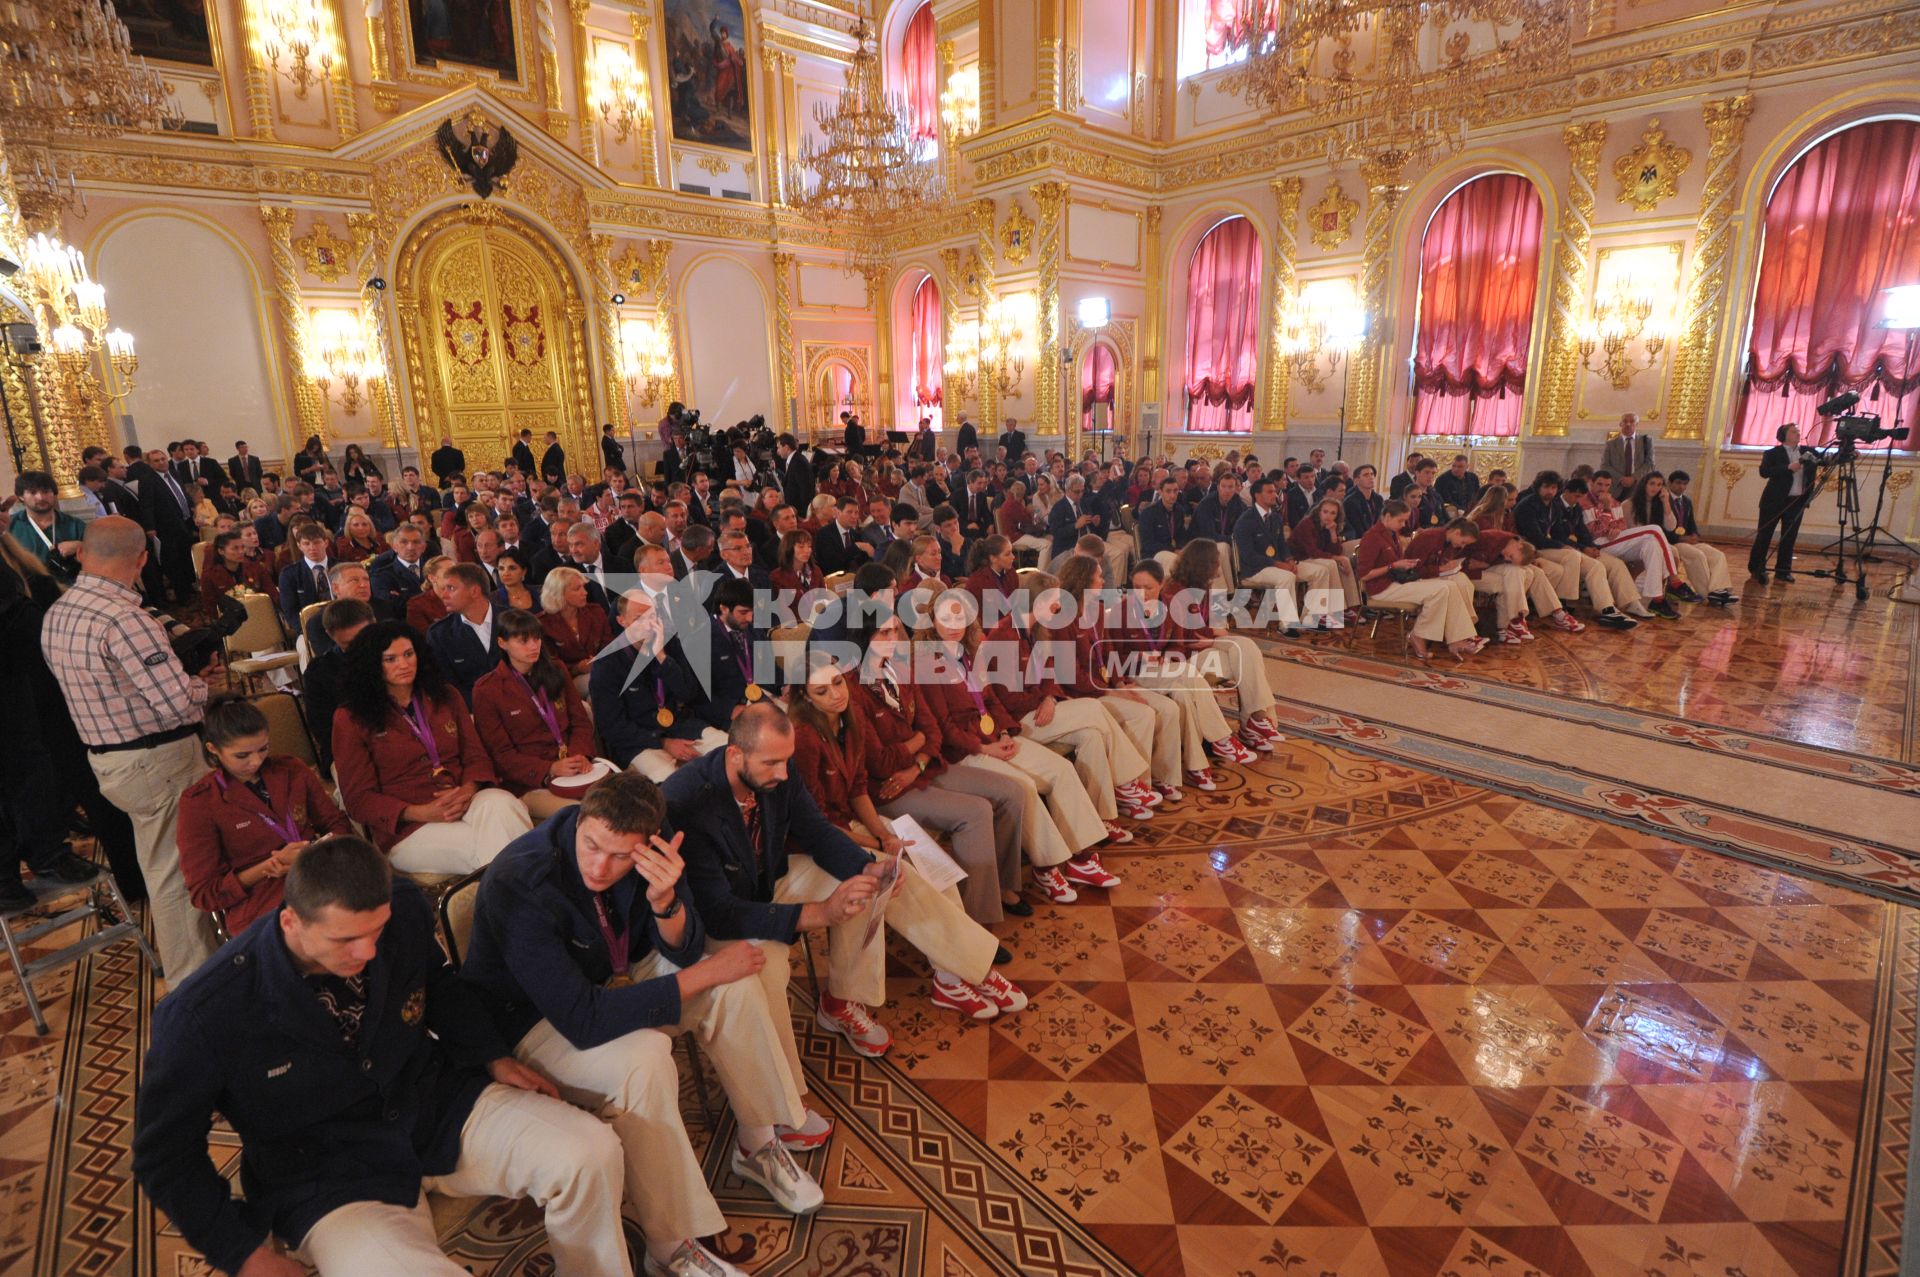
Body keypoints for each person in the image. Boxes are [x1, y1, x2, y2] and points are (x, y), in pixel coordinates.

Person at [135, 836, 632, 1277]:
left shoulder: (403, 907)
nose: (369, 952)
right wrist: (242, 1252)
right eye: (346, 939)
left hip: (434, 1110)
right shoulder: (203, 1013)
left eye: (377, 932)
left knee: (590, 1152)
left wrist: (493, 1056)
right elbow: (165, 1156)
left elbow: (436, 983)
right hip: (328, 1178)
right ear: (291, 921)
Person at [463, 778, 822, 1277]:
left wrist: (665, 900)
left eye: (620, 857)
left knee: (735, 989)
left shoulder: (657, 841)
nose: (599, 866)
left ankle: (757, 1144)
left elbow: (682, 947)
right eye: (591, 845)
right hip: (535, 1021)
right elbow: (582, 1020)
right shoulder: (520, 880)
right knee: (646, 1059)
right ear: (579, 819)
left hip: (616, 974)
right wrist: (701, 975)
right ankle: (669, 1245)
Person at [667, 706, 1020, 1063]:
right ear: (735, 754)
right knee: (773, 964)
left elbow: (817, 831)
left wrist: (866, 868)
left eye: (786, 761)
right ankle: (780, 1103)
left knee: (872, 879)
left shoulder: (780, 769)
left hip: (768, 879)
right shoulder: (686, 800)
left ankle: (865, 995)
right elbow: (717, 910)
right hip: (724, 913)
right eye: (771, 763)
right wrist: (818, 913)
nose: (783, 774)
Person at [786, 660, 1026, 1019]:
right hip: (825, 836)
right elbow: (814, 823)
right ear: (805, 697)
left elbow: (856, 789)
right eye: (823, 691)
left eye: (838, 683)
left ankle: (948, 976)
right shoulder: (804, 738)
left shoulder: (847, 721)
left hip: (857, 820)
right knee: (905, 877)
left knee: (930, 863)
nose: (837, 694)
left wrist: (883, 833)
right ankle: (974, 968)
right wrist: (874, 841)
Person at [42, 517, 221, 980]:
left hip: (110, 759)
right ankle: (194, 982)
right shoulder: (125, 619)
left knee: (159, 863)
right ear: (142, 559)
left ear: (82, 553)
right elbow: (176, 703)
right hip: (157, 759)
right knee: (178, 873)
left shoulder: (60, 610)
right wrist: (203, 687)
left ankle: (204, 966)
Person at [915, 591, 1112, 903]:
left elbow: (989, 698)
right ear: (932, 621)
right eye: (946, 618)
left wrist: (1006, 731)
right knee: (1025, 787)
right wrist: (985, 748)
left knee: (1060, 769)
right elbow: (943, 726)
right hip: (965, 752)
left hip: (994, 737)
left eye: (960, 617)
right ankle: (1047, 867)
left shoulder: (969, 653)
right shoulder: (925, 662)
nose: (955, 624)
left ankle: (1081, 856)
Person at [0, 540, 140, 911]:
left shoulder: (18, 569)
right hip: (20, 687)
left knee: (41, 771)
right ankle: (7, 875)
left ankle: (48, 853)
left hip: (31, 690)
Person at [331, 622, 532, 873]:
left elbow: (476, 757)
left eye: (408, 654)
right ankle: (530, 897)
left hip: (464, 797)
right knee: (500, 849)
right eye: (390, 659)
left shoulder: (445, 695)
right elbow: (358, 799)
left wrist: (468, 789)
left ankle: (511, 898)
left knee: (504, 803)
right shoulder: (351, 717)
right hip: (410, 824)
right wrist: (420, 812)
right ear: (372, 665)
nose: (404, 665)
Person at [177, 698, 351, 935]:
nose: (256, 761)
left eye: (263, 749)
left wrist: (314, 851)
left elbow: (336, 824)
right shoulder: (200, 802)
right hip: (261, 900)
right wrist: (270, 866)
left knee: (391, 901)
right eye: (242, 756)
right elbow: (205, 893)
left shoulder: (292, 770)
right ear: (213, 749)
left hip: (320, 873)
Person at [469, 610, 598, 820]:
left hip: (573, 765)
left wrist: (580, 754)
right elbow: (501, 755)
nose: (534, 646)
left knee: (620, 796)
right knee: (583, 814)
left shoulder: (556, 669)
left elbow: (580, 721)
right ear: (502, 643)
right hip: (529, 782)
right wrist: (550, 768)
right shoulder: (487, 689)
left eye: (537, 638)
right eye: (523, 641)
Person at [1164, 541, 1283, 756]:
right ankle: (1252, 724)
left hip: (1202, 646)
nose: (1220, 567)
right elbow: (1188, 637)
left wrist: (1211, 636)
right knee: (1244, 658)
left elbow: (1204, 629)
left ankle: (1255, 719)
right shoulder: (1174, 590)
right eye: (1216, 562)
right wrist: (1213, 635)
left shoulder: (1204, 586)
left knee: (1247, 648)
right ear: (1204, 564)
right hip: (1182, 656)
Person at [1355, 503, 1482, 662]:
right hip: (1381, 587)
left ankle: (1454, 638)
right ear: (1387, 517)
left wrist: (1402, 565)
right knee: (1442, 589)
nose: (1404, 525)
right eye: (1401, 521)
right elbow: (1364, 575)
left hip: (1395, 580)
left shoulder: (1392, 534)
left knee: (1449, 586)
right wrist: (1393, 566)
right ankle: (1419, 636)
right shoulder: (1372, 537)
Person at [1513, 471, 1639, 630]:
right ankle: (1565, 604)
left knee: (1595, 566)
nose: (1550, 491)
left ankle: (1607, 609)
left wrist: (1589, 547)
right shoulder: (1528, 505)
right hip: (1533, 549)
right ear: (1538, 487)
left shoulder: (1553, 506)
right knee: (1571, 555)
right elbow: (1535, 538)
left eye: (1553, 488)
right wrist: (1565, 546)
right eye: (1546, 487)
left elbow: (1560, 533)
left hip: (1551, 547)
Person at [427, 562, 504, 704]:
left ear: (474, 591)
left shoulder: (514, 620)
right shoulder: (440, 634)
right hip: (474, 713)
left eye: (451, 588)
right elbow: (448, 685)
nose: (443, 595)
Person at [1658, 470, 1736, 604]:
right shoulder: (1662, 500)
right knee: (1697, 555)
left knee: (1717, 555)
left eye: (1684, 484)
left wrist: (1695, 535)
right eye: (1678, 483)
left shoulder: (1686, 501)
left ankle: (1718, 589)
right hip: (1672, 542)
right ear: (1670, 483)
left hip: (1687, 540)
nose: (1681, 487)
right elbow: (1660, 527)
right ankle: (1708, 593)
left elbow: (1691, 523)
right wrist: (1680, 539)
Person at [1750, 422, 1810, 584]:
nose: (1798, 433)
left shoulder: (1807, 452)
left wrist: (1849, 453)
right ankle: (1757, 568)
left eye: (1798, 431)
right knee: (1765, 535)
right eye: (1793, 431)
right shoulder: (1772, 453)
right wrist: (1789, 467)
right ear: (1784, 435)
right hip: (1773, 501)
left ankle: (1783, 571)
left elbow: (1827, 460)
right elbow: (1765, 472)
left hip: (1796, 501)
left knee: (1789, 537)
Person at [8, 471, 86, 584]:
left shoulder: (75, 525)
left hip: (69, 590)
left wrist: (80, 545)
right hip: (27, 592)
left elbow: (100, 556)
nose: (40, 497)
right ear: (21, 496)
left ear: (53, 493)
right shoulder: (10, 525)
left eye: (45, 491)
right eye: (33, 492)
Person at [199, 530, 279, 613]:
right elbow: (211, 607)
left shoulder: (256, 567)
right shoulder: (210, 576)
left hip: (259, 612)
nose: (241, 552)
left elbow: (272, 593)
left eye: (243, 547)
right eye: (235, 548)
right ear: (221, 551)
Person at [1600, 412, 1658, 479]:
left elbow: (1650, 464)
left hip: (1639, 483)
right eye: (1625, 421)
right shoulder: (1611, 444)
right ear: (1620, 424)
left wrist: (1633, 478)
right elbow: (1605, 465)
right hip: (1617, 485)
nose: (1628, 424)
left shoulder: (1646, 442)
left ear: (1636, 424)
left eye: (1632, 421)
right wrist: (1621, 478)